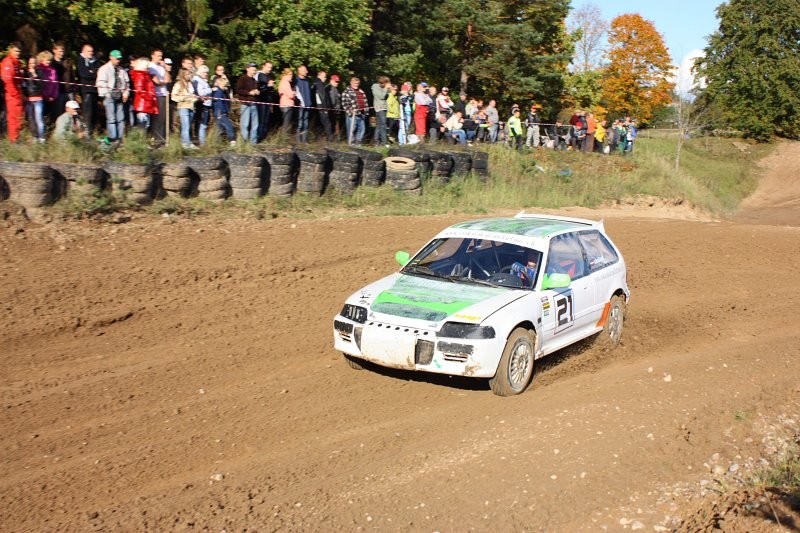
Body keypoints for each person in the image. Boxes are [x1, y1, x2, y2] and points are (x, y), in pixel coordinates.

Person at [96, 50, 130, 143]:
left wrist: (125, 93)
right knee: (111, 118)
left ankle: (120, 138)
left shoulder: (122, 70)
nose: (118, 60)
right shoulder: (104, 69)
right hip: (109, 96)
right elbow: (100, 83)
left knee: (120, 119)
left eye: (119, 59)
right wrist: (107, 94)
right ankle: (112, 138)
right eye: (116, 58)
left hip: (119, 96)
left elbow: (127, 83)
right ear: (111, 57)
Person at [128, 57, 158, 131]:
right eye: (146, 65)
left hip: (146, 104)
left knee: (146, 125)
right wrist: (149, 98)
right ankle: (139, 138)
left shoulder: (145, 75)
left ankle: (142, 138)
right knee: (142, 125)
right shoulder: (140, 75)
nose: (147, 67)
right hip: (142, 104)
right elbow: (139, 90)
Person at [147, 49, 171, 143]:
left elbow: (168, 80)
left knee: (163, 118)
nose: (160, 58)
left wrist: (165, 68)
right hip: (156, 94)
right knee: (156, 118)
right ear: (152, 56)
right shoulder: (150, 66)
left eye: (161, 56)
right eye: (158, 56)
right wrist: (163, 82)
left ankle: (161, 137)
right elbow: (156, 81)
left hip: (163, 94)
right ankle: (156, 137)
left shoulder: (161, 67)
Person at [171, 68, 197, 149]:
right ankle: (186, 143)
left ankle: (186, 141)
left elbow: (192, 94)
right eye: (187, 74)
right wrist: (183, 98)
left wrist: (194, 98)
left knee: (188, 126)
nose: (189, 76)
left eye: (189, 74)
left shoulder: (190, 84)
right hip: (183, 107)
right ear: (183, 75)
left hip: (191, 106)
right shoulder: (178, 84)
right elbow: (173, 96)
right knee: (185, 126)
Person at [76, 44, 99, 134]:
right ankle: (87, 131)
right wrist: (93, 73)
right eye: (88, 51)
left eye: (92, 51)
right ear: (83, 51)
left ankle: (94, 130)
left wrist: (92, 72)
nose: (91, 53)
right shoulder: (81, 60)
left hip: (95, 90)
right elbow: (84, 74)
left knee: (95, 111)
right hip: (86, 90)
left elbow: (98, 73)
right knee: (87, 112)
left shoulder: (95, 60)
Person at [210, 64, 235, 144]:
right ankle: (232, 140)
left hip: (225, 106)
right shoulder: (215, 79)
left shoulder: (225, 80)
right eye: (220, 70)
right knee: (228, 125)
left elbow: (229, 89)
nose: (222, 71)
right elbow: (217, 101)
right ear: (216, 71)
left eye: (223, 70)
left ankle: (216, 142)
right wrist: (221, 111)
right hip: (220, 110)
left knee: (219, 127)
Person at [23, 56, 46, 142]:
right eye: (30, 63)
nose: (32, 64)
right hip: (29, 99)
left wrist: (35, 76)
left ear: (36, 64)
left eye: (33, 63)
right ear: (28, 64)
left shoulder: (39, 72)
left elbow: (42, 85)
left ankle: (42, 137)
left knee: (39, 118)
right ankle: (35, 136)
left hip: (38, 99)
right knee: (31, 119)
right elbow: (23, 85)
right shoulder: (25, 73)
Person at [236, 62, 260, 144]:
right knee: (245, 124)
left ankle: (254, 142)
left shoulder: (255, 81)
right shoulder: (242, 78)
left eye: (255, 70)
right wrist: (249, 93)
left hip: (254, 103)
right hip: (245, 104)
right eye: (253, 70)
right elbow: (238, 90)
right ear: (247, 69)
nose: (254, 71)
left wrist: (257, 92)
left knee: (255, 124)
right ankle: (244, 142)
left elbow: (257, 90)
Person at [341, 76, 368, 145]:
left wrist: (366, 111)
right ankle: (351, 143)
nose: (356, 85)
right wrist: (350, 111)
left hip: (361, 113)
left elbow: (365, 102)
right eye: (355, 83)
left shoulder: (361, 91)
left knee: (362, 129)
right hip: (352, 114)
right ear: (351, 83)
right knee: (352, 129)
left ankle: (358, 142)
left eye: (357, 83)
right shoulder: (346, 92)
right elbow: (344, 103)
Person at [36, 51, 59, 129]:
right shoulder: (38, 69)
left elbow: (56, 84)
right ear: (42, 59)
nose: (49, 61)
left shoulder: (53, 70)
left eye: (50, 60)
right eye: (47, 60)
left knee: (49, 116)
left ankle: (48, 130)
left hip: (51, 97)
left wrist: (53, 96)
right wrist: (44, 95)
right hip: (41, 97)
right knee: (40, 116)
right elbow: (39, 85)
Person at [192, 65, 212, 145]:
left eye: (207, 73)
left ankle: (201, 140)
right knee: (202, 123)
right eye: (204, 72)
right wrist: (210, 90)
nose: (206, 74)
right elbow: (200, 93)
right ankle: (202, 142)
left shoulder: (203, 80)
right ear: (200, 72)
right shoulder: (197, 80)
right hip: (201, 104)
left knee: (204, 123)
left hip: (206, 104)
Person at [255, 61, 275, 142]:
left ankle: (263, 137)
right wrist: (268, 85)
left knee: (266, 121)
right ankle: (259, 137)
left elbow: (270, 91)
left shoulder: (268, 76)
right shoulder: (260, 75)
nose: (270, 69)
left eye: (271, 67)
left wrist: (271, 103)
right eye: (268, 67)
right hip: (261, 101)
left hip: (267, 101)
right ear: (263, 66)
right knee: (261, 120)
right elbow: (261, 88)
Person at [312, 69, 333, 142]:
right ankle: (330, 139)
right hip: (321, 107)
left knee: (319, 124)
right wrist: (325, 108)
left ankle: (318, 139)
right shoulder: (319, 84)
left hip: (316, 107)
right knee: (327, 123)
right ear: (320, 76)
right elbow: (322, 96)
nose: (325, 78)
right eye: (324, 77)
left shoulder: (314, 83)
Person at [293, 65, 312, 143]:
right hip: (300, 105)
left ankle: (304, 140)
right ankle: (298, 140)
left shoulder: (307, 81)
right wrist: (298, 102)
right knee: (300, 123)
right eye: (304, 70)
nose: (306, 72)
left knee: (306, 124)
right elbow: (295, 93)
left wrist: (309, 102)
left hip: (307, 105)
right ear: (299, 71)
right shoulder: (296, 81)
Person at [371, 75, 390, 146]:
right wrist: (385, 88)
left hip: (384, 108)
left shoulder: (383, 88)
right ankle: (384, 142)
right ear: (383, 82)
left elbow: (386, 96)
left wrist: (387, 89)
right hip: (380, 108)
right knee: (383, 125)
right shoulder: (375, 87)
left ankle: (377, 141)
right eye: (386, 83)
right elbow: (381, 96)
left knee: (379, 125)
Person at [277, 67, 295, 137]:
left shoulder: (283, 82)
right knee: (286, 124)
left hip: (285, 104)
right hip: (286, 104)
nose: (291, 76)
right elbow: (290, 95)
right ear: (285, 74)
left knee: (286, 123)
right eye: (290, 74)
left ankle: (284, 137)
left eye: (292, 75)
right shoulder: (285, 82)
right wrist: (294, 93)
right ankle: (284, 138)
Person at [326, 74, 342, 141]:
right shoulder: (329, 88)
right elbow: (331, 101)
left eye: (338, 82)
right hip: (331, 110)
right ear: (331, 80)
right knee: (331, 125)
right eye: (336, 81)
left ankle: (335, 139)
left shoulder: (336, 89)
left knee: (336, 126)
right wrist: (333, 108)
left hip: (336, 111)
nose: (337, 83)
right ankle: (330, 139)